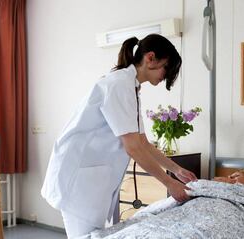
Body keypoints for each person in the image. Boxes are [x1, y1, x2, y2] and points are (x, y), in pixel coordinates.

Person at [41, 34, 198, 238]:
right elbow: (132, 147)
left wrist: (177, 170)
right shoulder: (118, 85)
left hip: (90, 176)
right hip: (79, 177)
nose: (165, 75)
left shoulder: (131, 87)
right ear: (150, 58)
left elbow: (143, 143)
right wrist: (169, 184)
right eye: (166, 67)